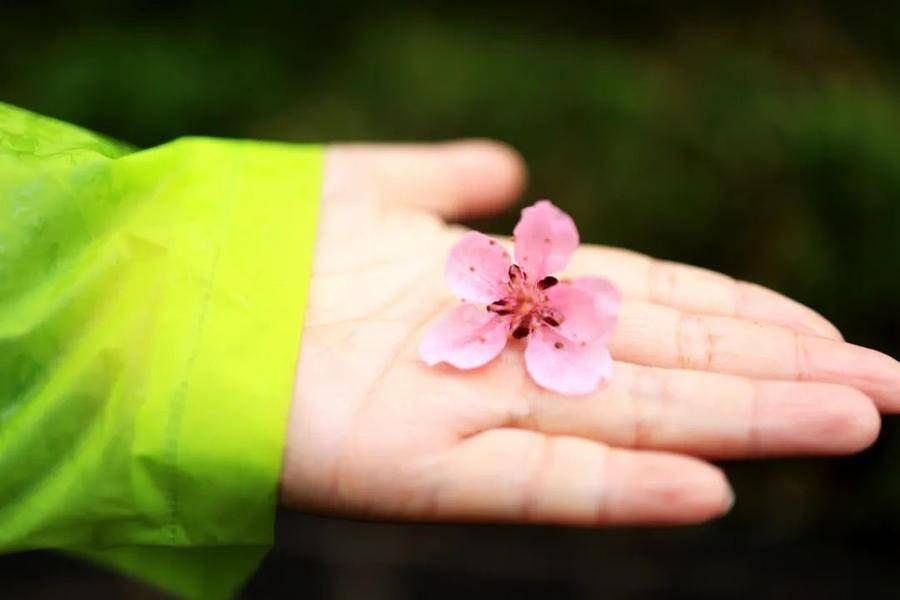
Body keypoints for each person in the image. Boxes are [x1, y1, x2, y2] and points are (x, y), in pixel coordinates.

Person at [1, 102, 897, 598]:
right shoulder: (481, 288)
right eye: (513, 288)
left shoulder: (555, 296)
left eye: (527, 294)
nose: (519, 296)